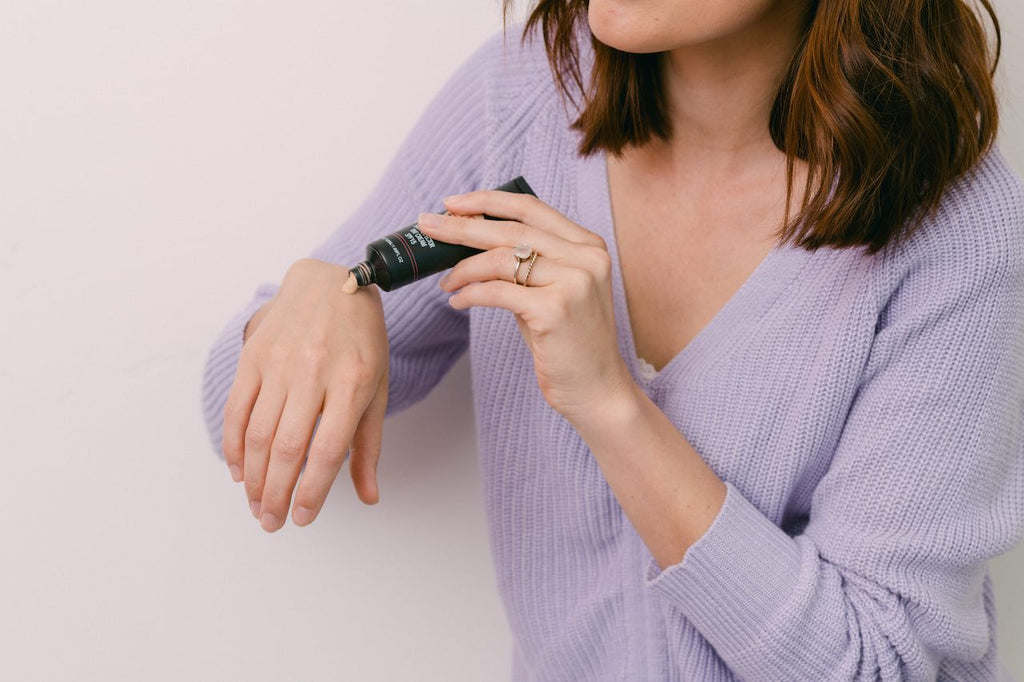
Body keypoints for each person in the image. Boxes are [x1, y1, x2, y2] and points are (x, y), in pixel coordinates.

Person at [201, 0, 1024, 679]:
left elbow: (879, 665)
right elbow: (237, 410)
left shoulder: (958, 230)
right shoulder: (528, 97)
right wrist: (319, 294)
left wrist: (612, 407)